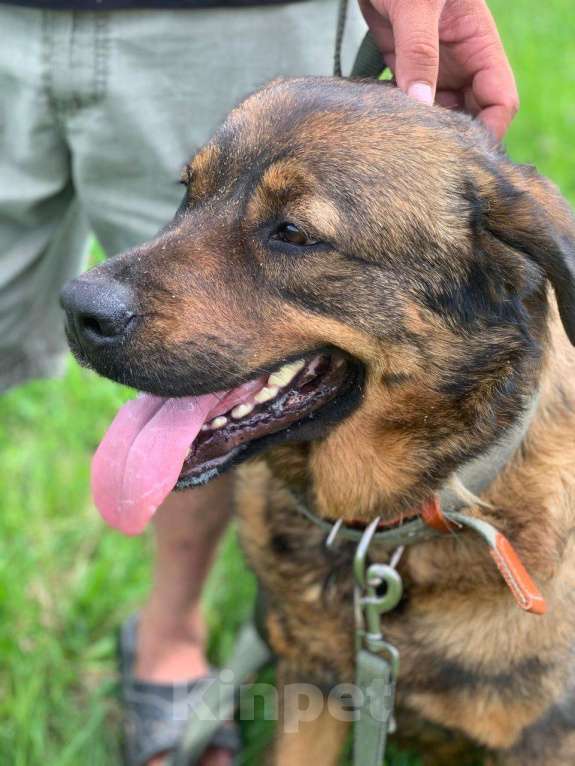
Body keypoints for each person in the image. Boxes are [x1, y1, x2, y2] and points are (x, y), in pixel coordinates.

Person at [0, 0, 517, 763]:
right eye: (192, 191)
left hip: (227, 16)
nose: (98, 294)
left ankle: (169, 640)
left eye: (293, 233)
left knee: (201, 349)